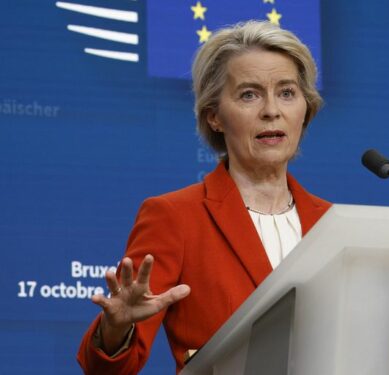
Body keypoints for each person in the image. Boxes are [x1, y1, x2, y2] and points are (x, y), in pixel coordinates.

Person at [77, 20, 331, 374]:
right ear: (214, 116)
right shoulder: (175, 216)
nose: (272, 110)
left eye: (287, 92)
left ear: (306, 109)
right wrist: (118, 326)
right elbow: (106, 368)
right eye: (249, 94)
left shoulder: (332, 224)